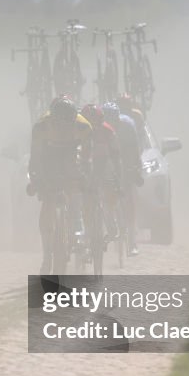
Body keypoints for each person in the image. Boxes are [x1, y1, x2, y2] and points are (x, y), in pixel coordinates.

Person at [28, 95, 92, 274]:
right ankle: (47, 256)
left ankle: (77, 225)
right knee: (47, 201)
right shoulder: (41, 128)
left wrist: (85, 176)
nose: (63, 128)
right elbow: (35, 159)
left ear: (74, 121)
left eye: (67, 125)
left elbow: (86, 157)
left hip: (71, 155)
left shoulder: (84, 127)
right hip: (49, 157)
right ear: (51, 120)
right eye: (59, 124)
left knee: (75, 188)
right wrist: (35, 180)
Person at [103, 102, 143, 257]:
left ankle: (132, 242)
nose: (111, 124)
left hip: (126, 159)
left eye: (114, 121)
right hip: (109, 161)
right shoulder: (101, 128)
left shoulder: (127, 125)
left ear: (118, 119)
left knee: (129, 200)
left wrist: (137, 169)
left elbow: (135, 148)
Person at [80, 103, 122, 247]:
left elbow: (116, 156)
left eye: (95, 123)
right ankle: (86, 229)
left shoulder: (108, 131)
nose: (92, 127)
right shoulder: (77, 129)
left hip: (103, 164)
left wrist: (118, 178)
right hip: (85, 165)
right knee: (85, 197)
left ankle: (111, 223)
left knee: (109, 191)